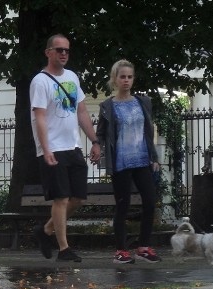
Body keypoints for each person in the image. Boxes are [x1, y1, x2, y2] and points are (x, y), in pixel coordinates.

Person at [30, 34, 100, 262]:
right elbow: (39, 117)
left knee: (78, 198)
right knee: (60, 198)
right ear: (48, 52)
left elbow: (81, 111)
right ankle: (63, 249)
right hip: (53, 149)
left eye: (67, 50)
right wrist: (46, 148)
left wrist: (94, 140)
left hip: (73, 146)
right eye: (59, 50)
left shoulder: (72, 77)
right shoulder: (40, 81)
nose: (63, 54)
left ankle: (45, 231)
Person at [95, 60, 161, 264]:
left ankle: (143, 247)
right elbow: (101, 133)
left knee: (150, 202)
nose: (126, 80)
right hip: (121, 162)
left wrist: (154, 157)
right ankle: (121, 250)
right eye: (122, 76)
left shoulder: (143, 102)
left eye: (129, 77)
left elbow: (149, 132)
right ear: (115, 79)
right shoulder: (108, 106)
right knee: (122, 206)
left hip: (142, 160)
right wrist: (96, 146)